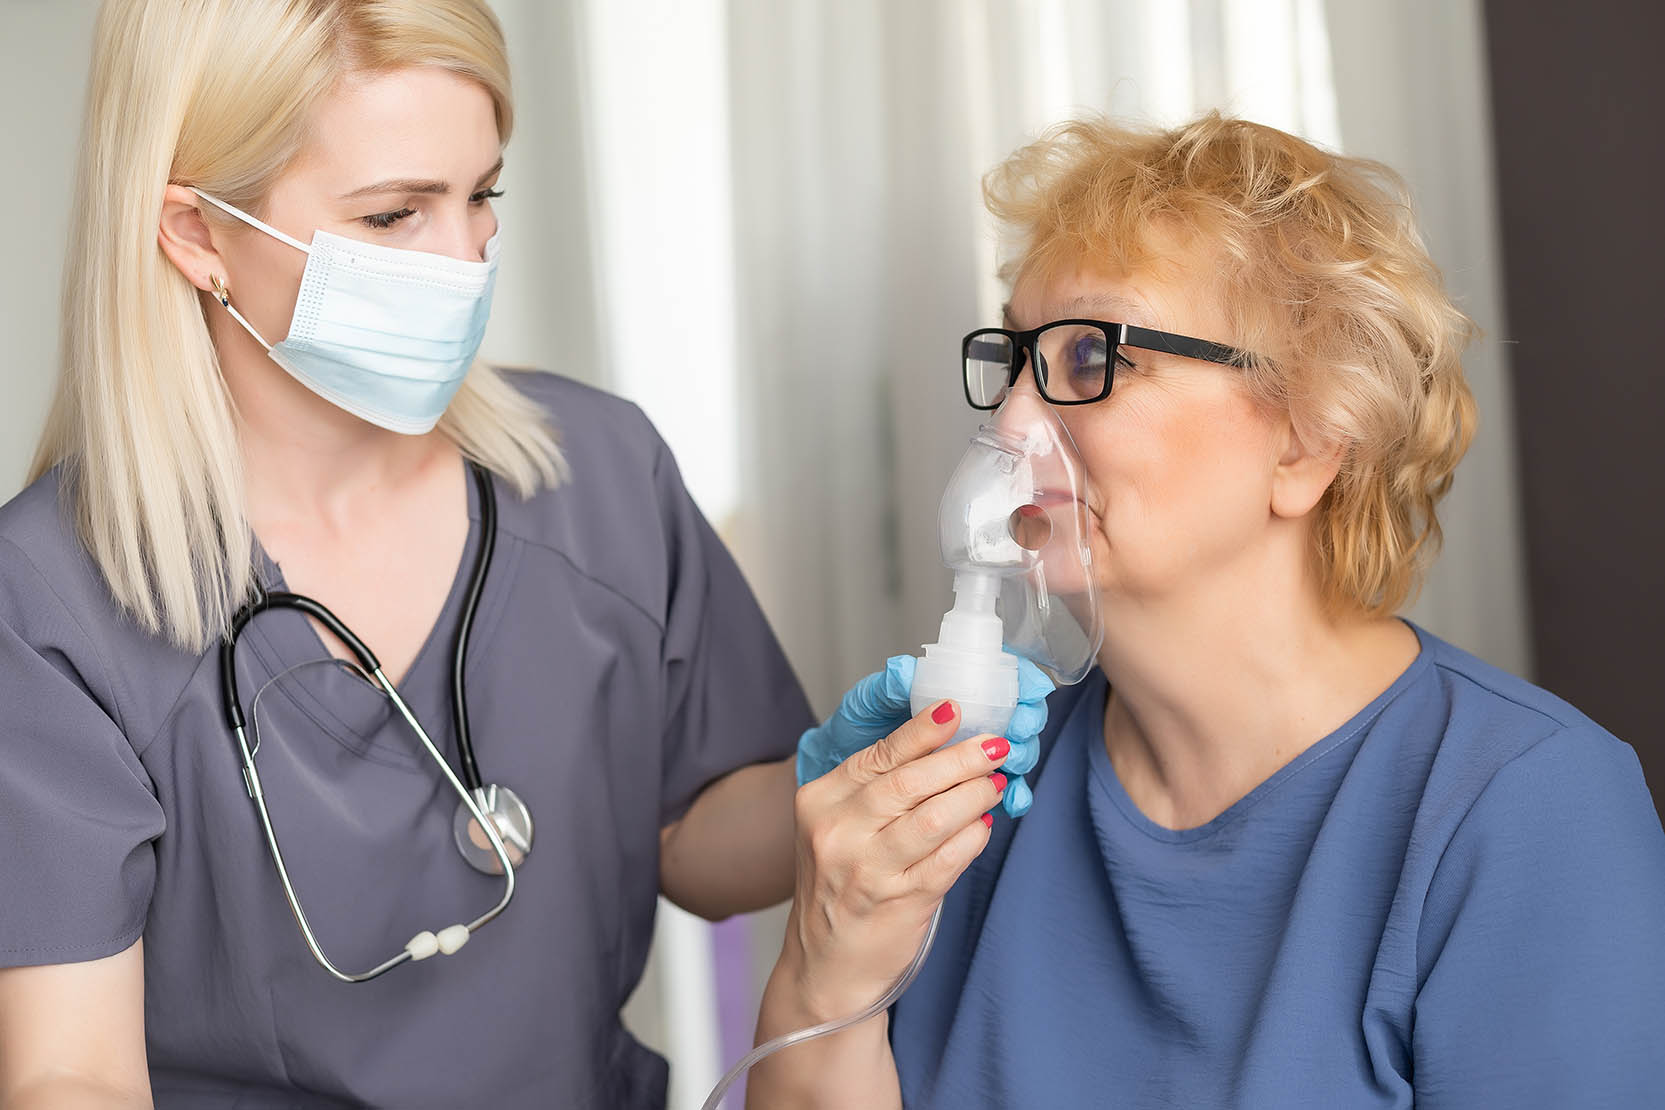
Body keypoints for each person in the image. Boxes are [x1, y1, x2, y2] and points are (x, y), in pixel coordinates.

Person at [750, 113, 1665, 1108]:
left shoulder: (1522, 813)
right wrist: (824, 966)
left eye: (1091, 358)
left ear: (1312, 436)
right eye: (1014, 359)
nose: (1012, 423)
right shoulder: (980, 801)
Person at [0, 2, 818, 1105]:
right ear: (196, 235)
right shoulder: (51, 601)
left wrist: (847, 793)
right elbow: (68, 1074)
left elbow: (698, 843)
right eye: (392, 217)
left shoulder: (600, 477)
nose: (463, 262)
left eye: (481, 195)